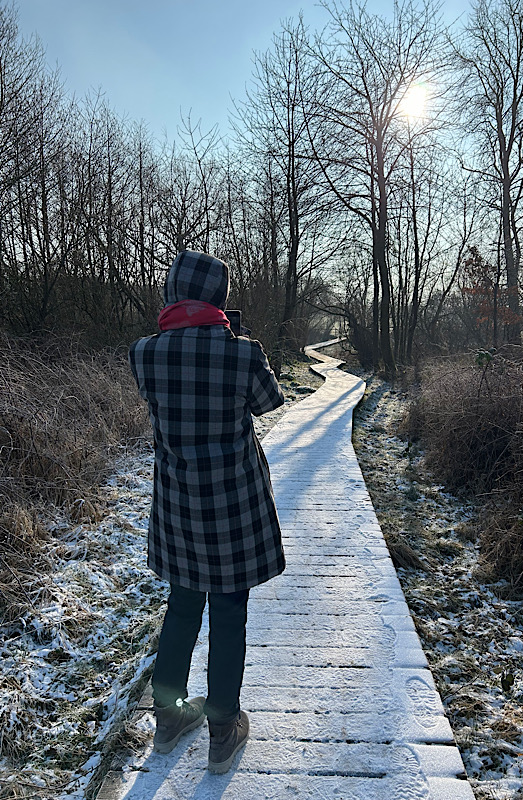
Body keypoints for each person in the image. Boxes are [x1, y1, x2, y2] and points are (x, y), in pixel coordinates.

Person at [129, 250, 285, 773]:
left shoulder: (144, 354)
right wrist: (238, 341)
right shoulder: (241, 354)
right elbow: (270, 401)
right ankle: (222, 729)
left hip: (177, 507)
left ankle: (169, 718)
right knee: (229, 613)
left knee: (182, 606)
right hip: (233, 508)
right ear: (219, 298)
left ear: (172, 292)